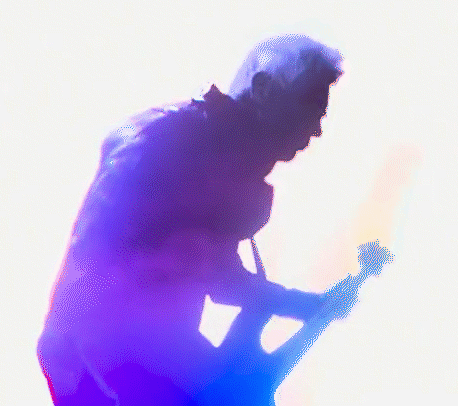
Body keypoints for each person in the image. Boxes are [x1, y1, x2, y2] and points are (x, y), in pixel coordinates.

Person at [37, 34, 349, 405]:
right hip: (102, 358)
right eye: (308, 107)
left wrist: (309, 306)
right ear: (264, 89)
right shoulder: (168, 142)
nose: (315, 130)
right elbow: (95, 269)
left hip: (140, 358)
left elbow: (223, 279)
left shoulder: (229, 167)